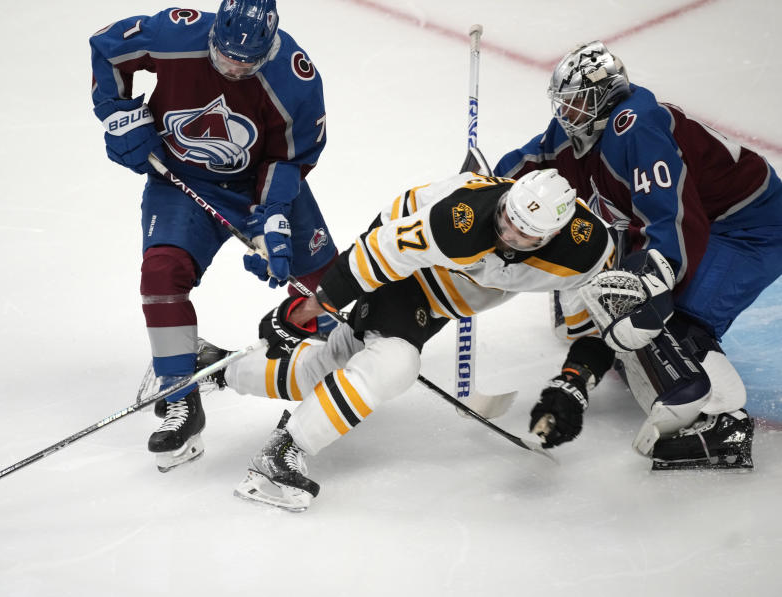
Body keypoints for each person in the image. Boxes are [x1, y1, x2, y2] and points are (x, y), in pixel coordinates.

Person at [199, 169, 614, 511]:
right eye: (506, 217)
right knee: (394, 363)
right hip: (406, 270)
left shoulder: (587, 254)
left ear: (551, 236)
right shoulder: (462, 218)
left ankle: (211, 366)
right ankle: (282, 452)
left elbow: (595, 327)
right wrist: (306, 310)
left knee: (325, 373)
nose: (506, 233)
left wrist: (574, 382)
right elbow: (378, 252)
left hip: (440, 300)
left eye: (523, 235)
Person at [496, 40, 782, 470]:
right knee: (610, 292)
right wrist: (481, 191)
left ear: (604, 98)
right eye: (564, 104)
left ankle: (724, 423)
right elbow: (532, 162)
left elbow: (676, 221)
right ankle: (645, 345)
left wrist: (650, 288)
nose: (565, 113)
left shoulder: (639, 129)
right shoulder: (582, 129)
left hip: (749, 229)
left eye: (576, 103)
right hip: (706, 220)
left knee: (665, 316)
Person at [89, 0, 338, 472]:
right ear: (212, 34)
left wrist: (274, 218)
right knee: (161, 273)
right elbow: (108, 49)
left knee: (326, 285)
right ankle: (180, 394)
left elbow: (289, 160)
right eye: (225, 56)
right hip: (182, 182)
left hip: (258, 186)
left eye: (248, 61)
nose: (235, 66)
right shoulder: (173, 34)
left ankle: (345, 361)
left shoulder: (297, 79)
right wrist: (118, 114)